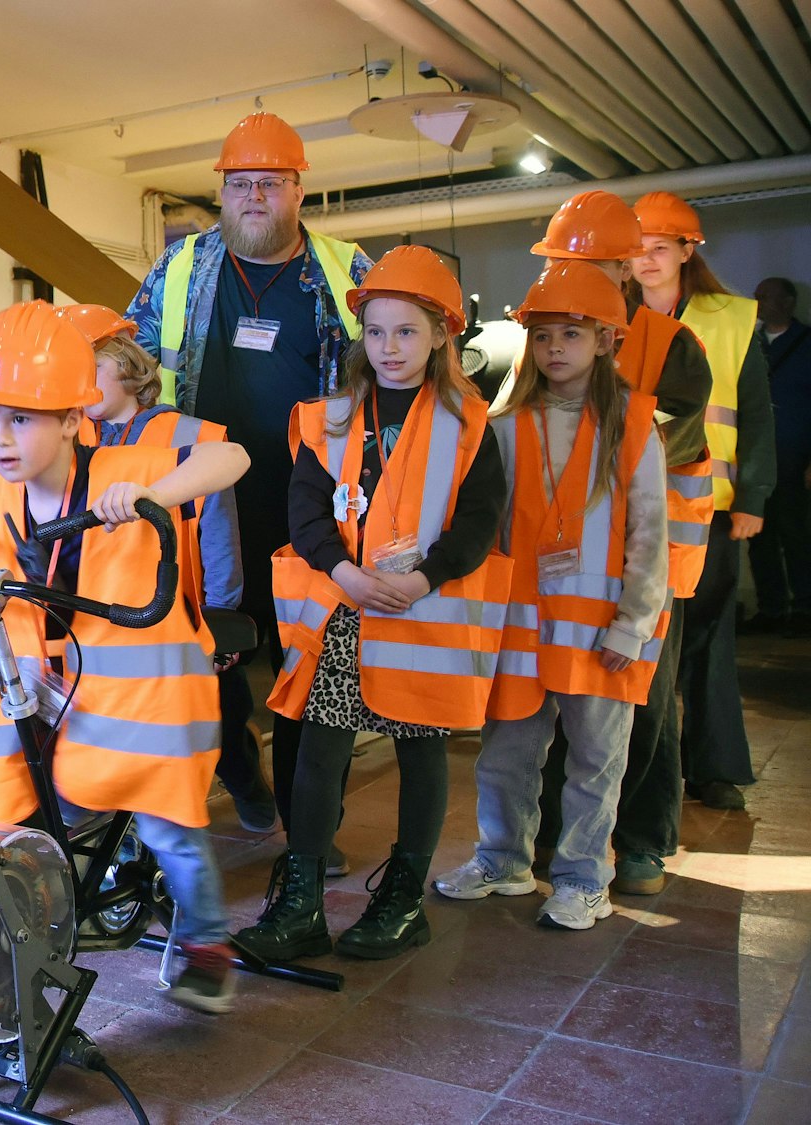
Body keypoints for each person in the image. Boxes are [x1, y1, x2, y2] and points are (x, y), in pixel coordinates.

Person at [0, 300, 251, 1013]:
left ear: (75, 419)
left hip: (137, 708)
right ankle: (36, 949)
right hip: (31, 700)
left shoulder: (126, 464)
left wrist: (150, 495)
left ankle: (205, 942)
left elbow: (232, 456)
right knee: (23, 826)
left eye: (20, 419)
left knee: (170, 822)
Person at [231, 247, 508, 962]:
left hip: (426, 612)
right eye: (377, 332)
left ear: (443, 334)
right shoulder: (330, 416)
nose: (389, 347)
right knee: (319, 753)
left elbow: (480, 519)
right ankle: (301, 903)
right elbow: (307, 509)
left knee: (422, 753)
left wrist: (428, 577)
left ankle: (403, 899)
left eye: (407, 332)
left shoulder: (471, 423)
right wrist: (344, 573)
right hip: (344, 607)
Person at [124, 112, 373, 873]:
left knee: (310, 672)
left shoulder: (347, 269)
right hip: (204, 514)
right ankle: (244, 776)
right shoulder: (178, 270)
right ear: (222, 192)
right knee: (210, 664)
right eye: (240, 184)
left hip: (316, 509)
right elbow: (127, 369)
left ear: (299, 189)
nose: (254, 196)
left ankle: (308, 833)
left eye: (270, 182)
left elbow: (401, 364)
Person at [435, 261, 669, 931]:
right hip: (521, 628)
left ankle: (582, 878)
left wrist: (633, 624)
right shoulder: (504, 426)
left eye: (572, 333)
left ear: (606, 341)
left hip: (603, 634)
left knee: (597, 763)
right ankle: (503, 861)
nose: (555, 348)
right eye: (543, 335)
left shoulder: (633, 427)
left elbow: (651, 534)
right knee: (505, 756)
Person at [521, 190, 713, 897]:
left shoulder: (670, 344)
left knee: (644, 704)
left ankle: (640, 844)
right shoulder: (545, 336)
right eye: (565, 262)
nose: (584, 274)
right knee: (553, 702)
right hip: (558, 565)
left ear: (627, 267)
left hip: (645, 565)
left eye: (598, 262)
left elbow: (666, 439)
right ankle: (548, 839)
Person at [60, 302, 276, 833]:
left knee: (221, 723)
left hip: (188, 617)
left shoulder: (191, 436)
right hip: (111, 620)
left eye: (92, 370)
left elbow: (218, 531)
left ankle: (251, 794)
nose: (83, 387)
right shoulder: (72, 445)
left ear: (130, 366)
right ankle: (137, 837)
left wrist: (222, 618)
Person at [627, 192, 776, 811]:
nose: (648, 260)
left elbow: (760, 414)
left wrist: (754, 496)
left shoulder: (732, 317)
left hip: (709, 504)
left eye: (661, 248)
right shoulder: (615, 314)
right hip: (633, 506)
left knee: (708, 638)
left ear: (689, 251)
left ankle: (714, 768)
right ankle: (643, 775)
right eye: (638, 249)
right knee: (647, 641)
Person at [747, 277, 811, 636]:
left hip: (794, 459)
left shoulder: (806, 344)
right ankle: (771, 608)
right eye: (757, 296)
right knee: (760, 536)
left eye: (766, 296)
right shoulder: (749, 343)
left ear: (788, 301)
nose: (759, 302)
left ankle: (803, 606)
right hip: (757, 460)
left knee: (796, 534)